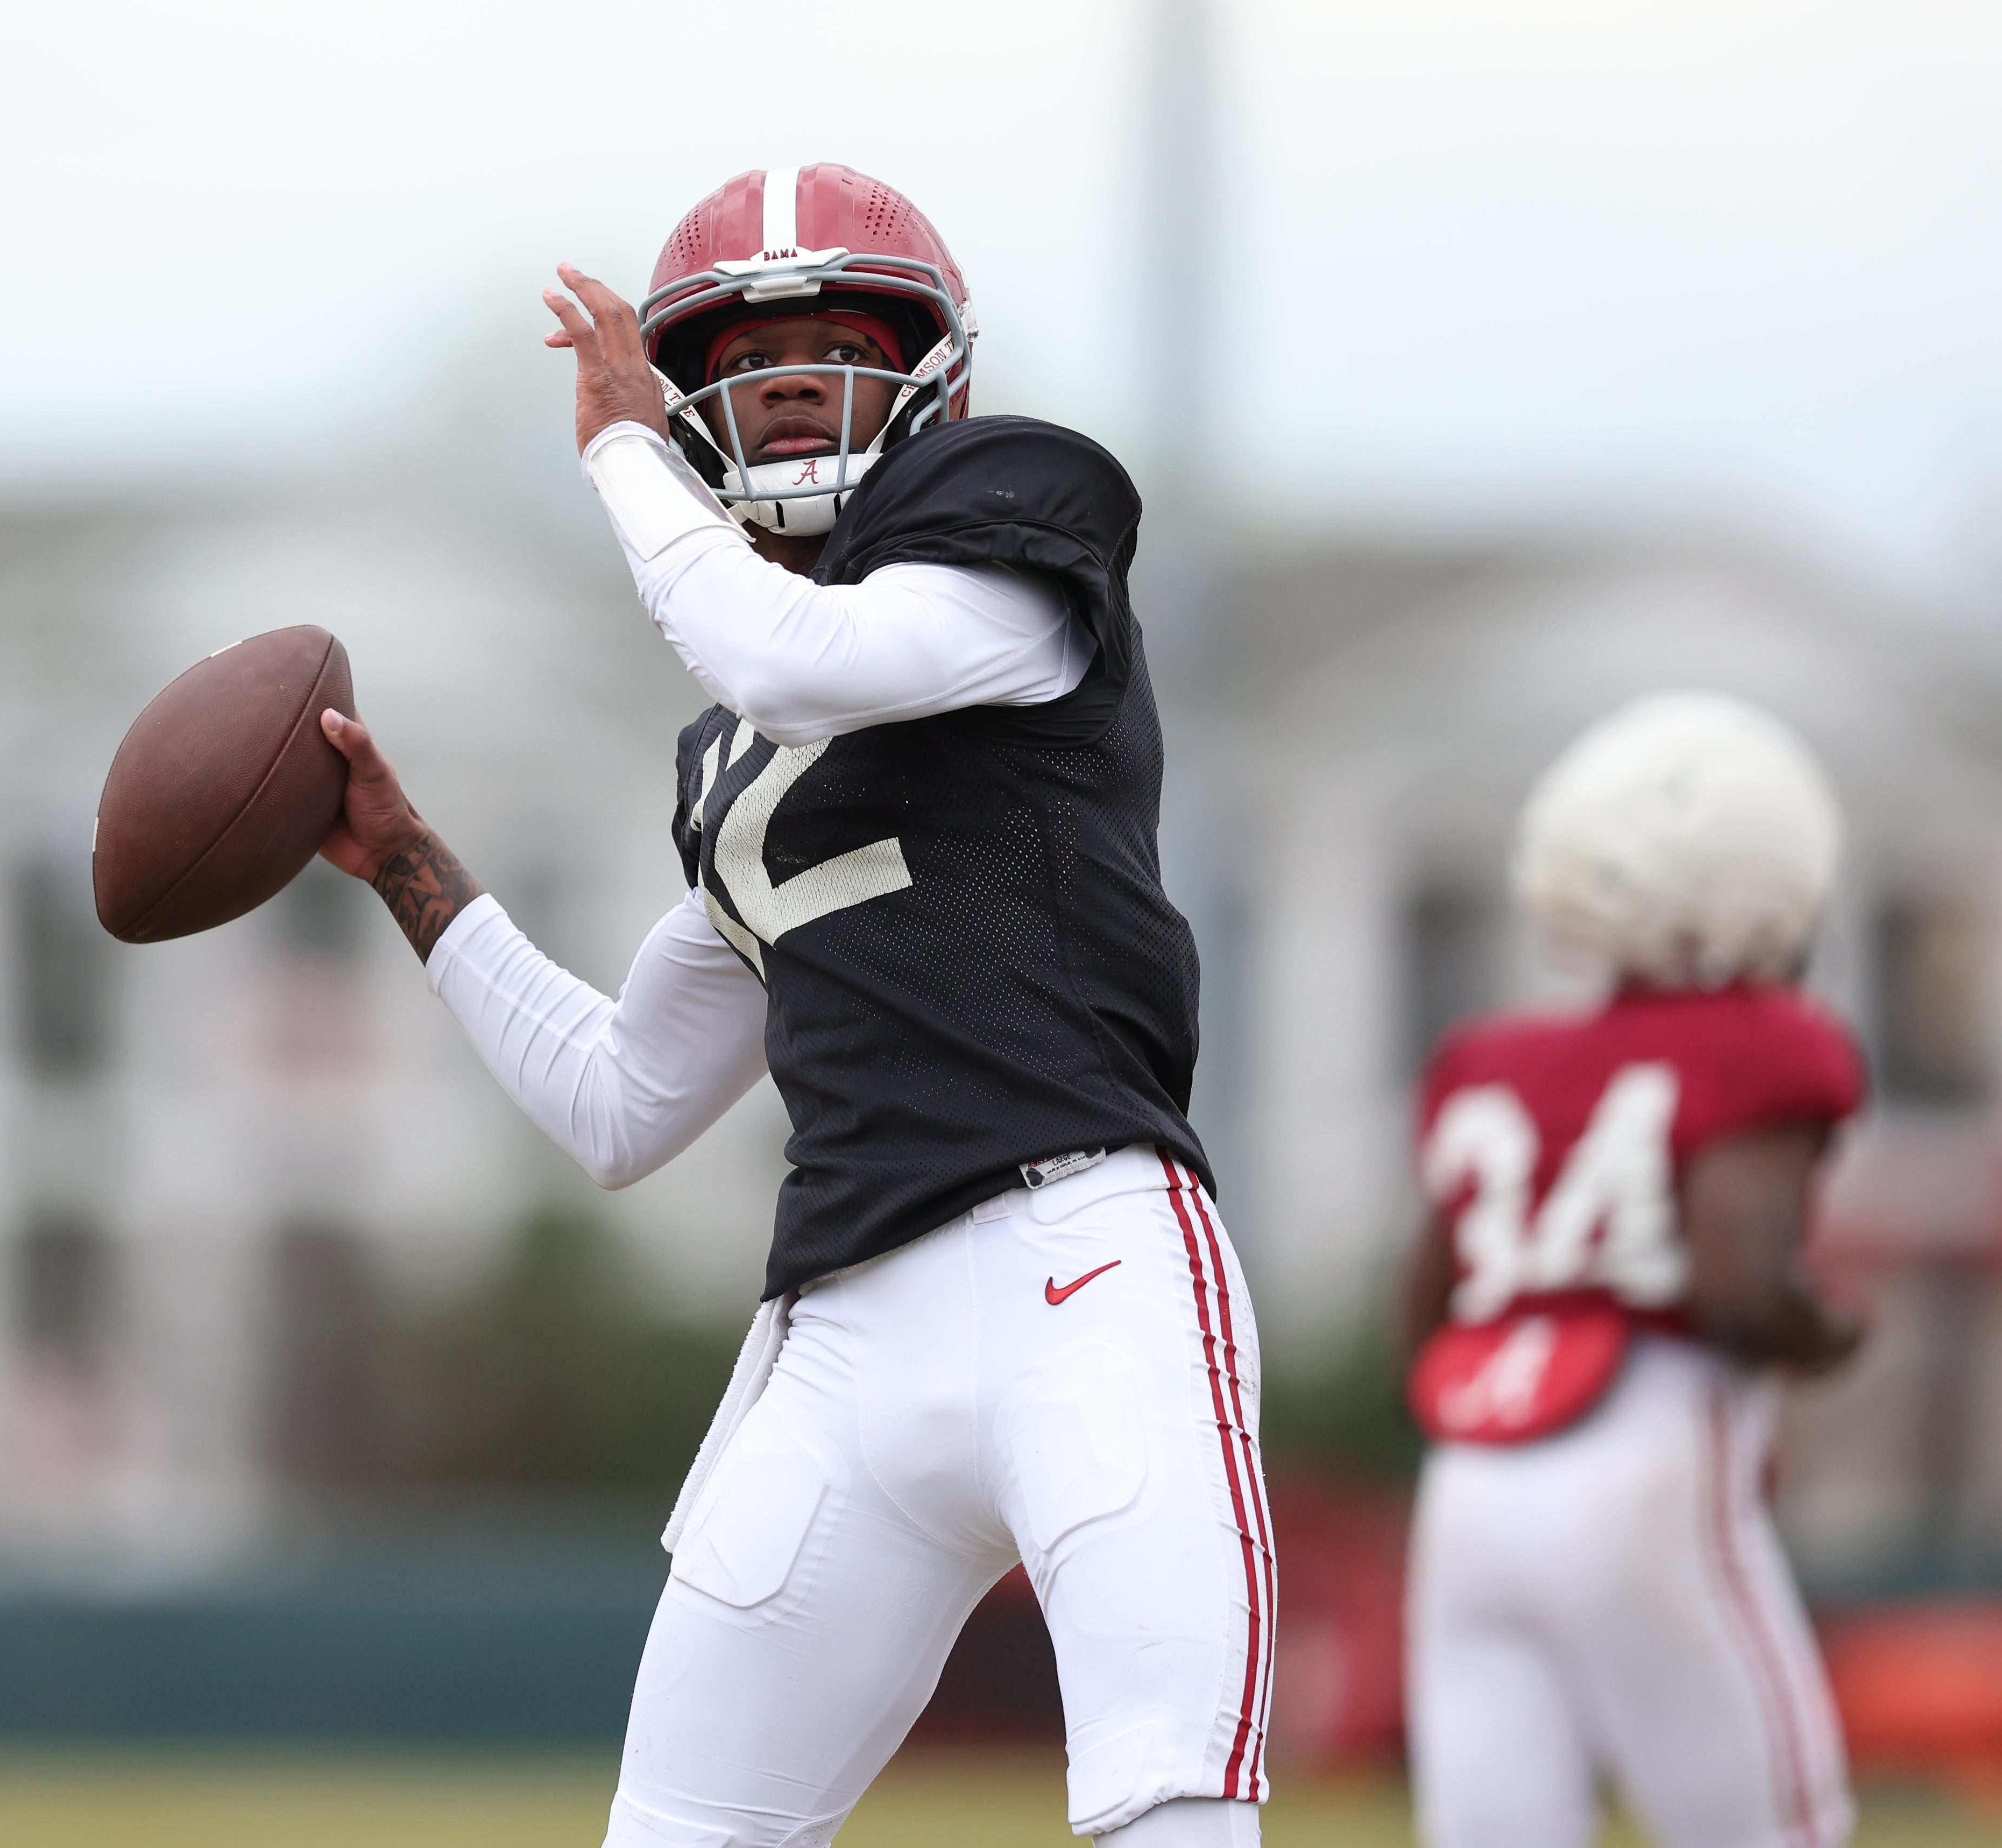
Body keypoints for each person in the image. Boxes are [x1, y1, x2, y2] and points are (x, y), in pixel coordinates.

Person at [315, 165, 1270, 1847]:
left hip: (1086, 1274)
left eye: (831, 345)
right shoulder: (727, 759)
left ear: (930, 374)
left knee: (1163, 1813)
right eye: (743, 369)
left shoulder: (1009, 531)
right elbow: (620, 1100)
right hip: (842, 1329)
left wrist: (615, 449)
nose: (783, 392)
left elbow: (797, 659)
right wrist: (408, 868)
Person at [1401, 692, 1864, 1848]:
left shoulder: (1487, 1057)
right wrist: (1825, 1330)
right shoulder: (1760, 1042)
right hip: (1647, 1441)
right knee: (1766, 1828)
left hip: (1471, 1480)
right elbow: (1737, 1281)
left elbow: (1426, 1299)